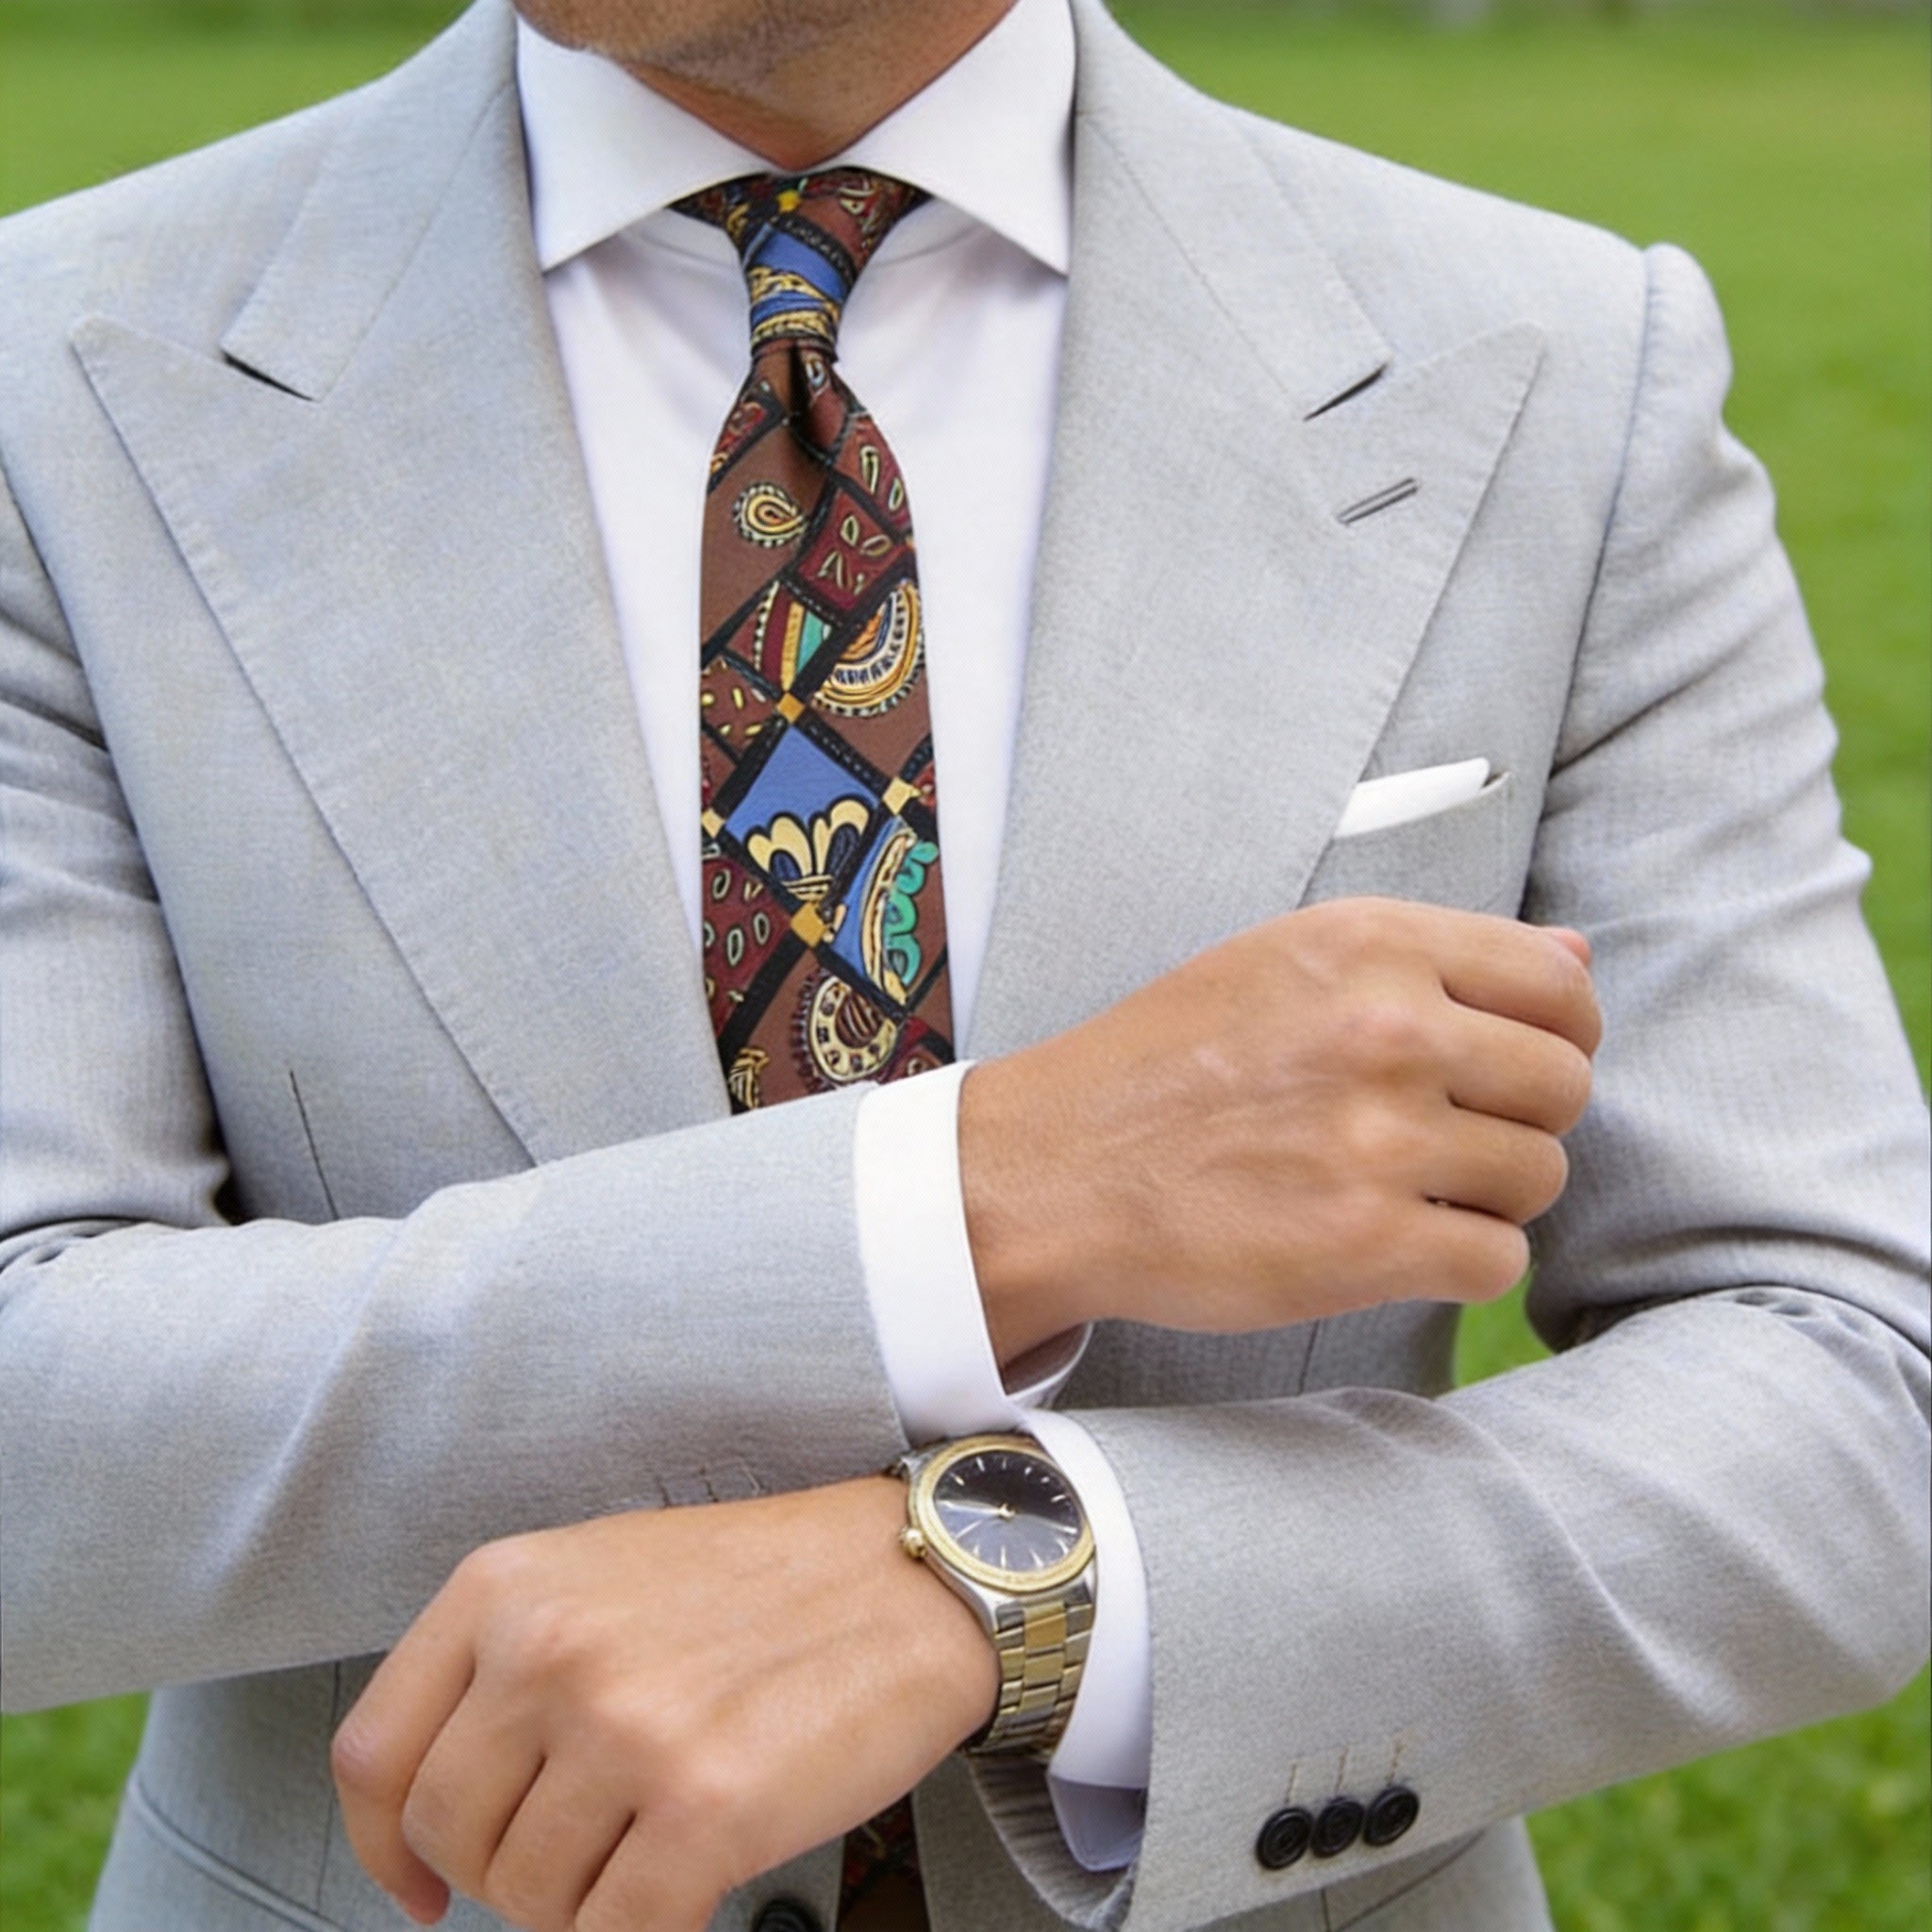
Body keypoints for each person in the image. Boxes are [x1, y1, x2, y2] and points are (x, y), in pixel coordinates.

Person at [0, 0, 1924, 1927]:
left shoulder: (1560, 364)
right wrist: (981, 1197)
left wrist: (1022, 1584)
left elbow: (1847, 1390)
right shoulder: (52, 370)